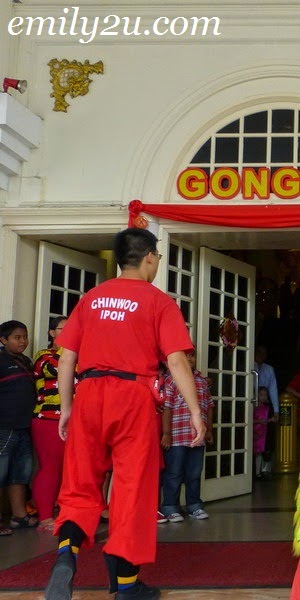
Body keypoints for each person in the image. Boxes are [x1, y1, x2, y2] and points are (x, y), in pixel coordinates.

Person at [44, 227, 205, 600]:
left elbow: (68, 358)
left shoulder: (91, 298)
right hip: (133, 396)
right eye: (159, 257)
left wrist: (68, 407)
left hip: (89, 392)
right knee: (132, 492)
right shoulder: (158, 302)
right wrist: (195, 410)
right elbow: (176, 360)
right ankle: (127, 588)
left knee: (79, 485)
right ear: (149, 256)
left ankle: (65, 556)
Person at [159, 348, 214, 523]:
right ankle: (169, 506)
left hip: (197, 437)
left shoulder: (202, 381)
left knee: (194, 473)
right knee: (173, 473)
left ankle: (194, 505)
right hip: (176, 436)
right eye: (185, 355)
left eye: (192, 355)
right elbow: (167, 408)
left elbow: (209, 406)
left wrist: (209, 430)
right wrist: (166, 433)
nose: (189, 359)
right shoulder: (170, 380)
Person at [0, 320, 38, 536]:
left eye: (24, 337)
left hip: (24, 426)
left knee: (20, 473)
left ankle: (19, 515)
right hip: (4, 425)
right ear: (3, 340)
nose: (23, 341)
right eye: (17, 337)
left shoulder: (26, 361)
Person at [31, 316, 69, 532]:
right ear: (52, 333)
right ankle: (45, 516)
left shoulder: (79, 357)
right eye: (65, 329)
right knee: (50, 468)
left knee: (69, 470)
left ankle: (65, 512)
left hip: (74, 421)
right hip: (48, 419)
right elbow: (55, 369)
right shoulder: (45, 356)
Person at [253, 346, 278, 477]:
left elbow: (273, 389)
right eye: (259, 352)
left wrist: (276, 410)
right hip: (252, 404)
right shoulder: (249, 366)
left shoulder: (269, 369)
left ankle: (264, 469)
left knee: (266, 438)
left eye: (264, 353)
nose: (261, 355)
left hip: (265, 407)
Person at [253, 386, 277, 479]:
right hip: (256, 432)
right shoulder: (254, 407)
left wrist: (271, 420)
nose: (263, 397)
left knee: (262, 452)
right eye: (261, 395)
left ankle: (261, 472)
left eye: (265, 395)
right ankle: (255, 472)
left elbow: (270, 419)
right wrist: (260, 421)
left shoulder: (267, 408)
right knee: (256, 453)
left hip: (264, 433)